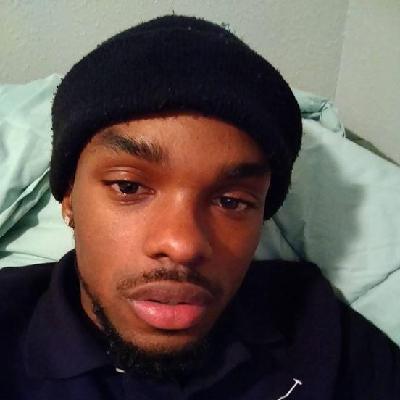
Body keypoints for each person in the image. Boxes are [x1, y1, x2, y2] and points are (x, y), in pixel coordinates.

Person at [0, 15, 399, 400]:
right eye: (129, 186)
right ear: (69, 197)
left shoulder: (319, 332)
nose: (183, 245)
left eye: (231, 201)